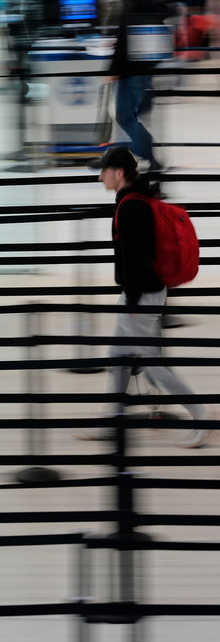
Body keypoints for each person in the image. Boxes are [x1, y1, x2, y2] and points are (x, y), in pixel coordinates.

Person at [76, 147, 212, 448]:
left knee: (151, 365)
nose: (100, 177)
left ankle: (201, 417)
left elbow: (137, 258)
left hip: (141, 297)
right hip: (140, 294)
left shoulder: (130, 207)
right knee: (118, 357)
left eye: (104, 171)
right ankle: (110, 420)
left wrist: (133, 301)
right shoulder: (136, 200)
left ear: (119, 173)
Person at [104, 0, 175, 173]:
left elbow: (125, 40)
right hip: (144, 67)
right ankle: (129, 155)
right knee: (129, 115)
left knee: (125, 116)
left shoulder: (128, 1)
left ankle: (148, 158)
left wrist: (113, 70)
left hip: (130, 69)